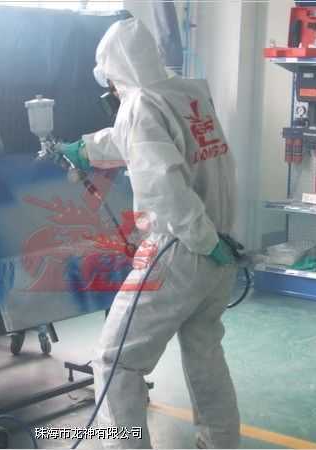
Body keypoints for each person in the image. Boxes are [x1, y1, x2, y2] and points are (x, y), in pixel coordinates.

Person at [58, 18, 240, 449]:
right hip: (220, 247)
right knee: (204, 352)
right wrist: (86, 148)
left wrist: (201, 241)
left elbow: (162, 185)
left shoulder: (139, 104)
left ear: (115, 72)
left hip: (179, 248)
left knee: (115, 360)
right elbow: (143, 141)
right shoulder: (187, 93)